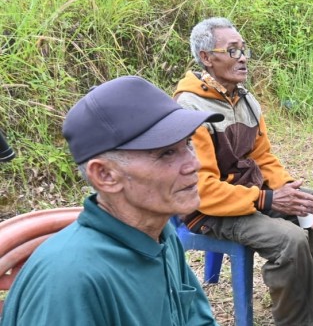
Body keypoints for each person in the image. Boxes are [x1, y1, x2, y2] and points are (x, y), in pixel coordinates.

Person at [0, 76, 222, 325]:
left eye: (188, 144)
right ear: (105, 175)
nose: (194, 164)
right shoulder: (70, 278)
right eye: (167, 153)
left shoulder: (161, 235)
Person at [173, 18, 313, 326]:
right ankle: (298, 320)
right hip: (212, 210)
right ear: (206, 58)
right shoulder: (190, 107)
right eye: (231, 50)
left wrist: (288, 189)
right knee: (290, 240)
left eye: (243, 50)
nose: (242, 57)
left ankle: (309, 300)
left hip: (250, 194)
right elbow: (202, 191)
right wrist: (269, 200)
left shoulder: (245, 99)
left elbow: (262, 156)